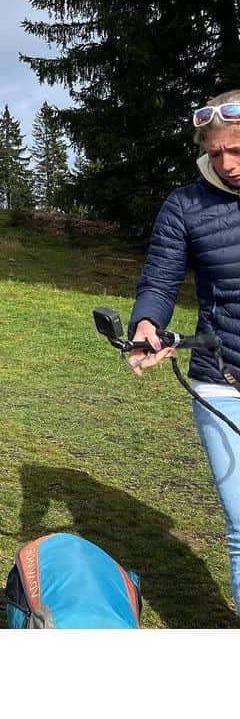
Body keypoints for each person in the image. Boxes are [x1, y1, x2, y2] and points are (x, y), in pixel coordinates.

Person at [127, 89, 240, 614]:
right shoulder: (186, 205)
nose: (227, 164)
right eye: (215, 152)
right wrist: (147, 325)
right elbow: (161, 280)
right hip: (222, 380)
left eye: (237, 149)